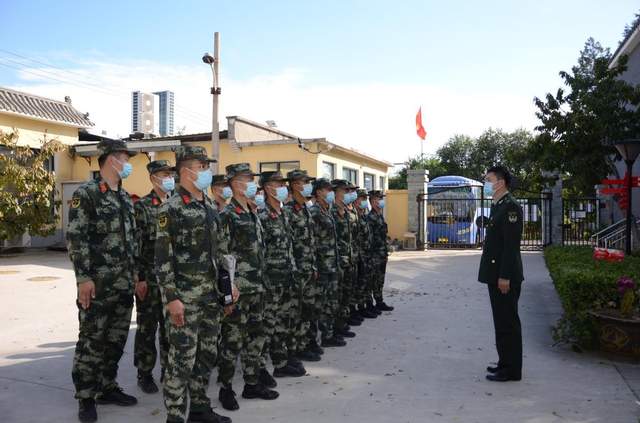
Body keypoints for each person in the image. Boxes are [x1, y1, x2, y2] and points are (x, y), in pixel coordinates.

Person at [154, 146, 231, 423]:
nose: (207, 171)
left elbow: (219, 252)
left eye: (207, 167)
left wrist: (228, 287)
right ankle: (175, 416)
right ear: (186, 171)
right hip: (185, 300)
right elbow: (162, 258)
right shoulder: (171, 208)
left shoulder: (209, 205)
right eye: (202, 167)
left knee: (207, 355)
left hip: (210, 297)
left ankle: (199, 408)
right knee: (181, 361)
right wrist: (171, 298)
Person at [66, 139, 139, 423]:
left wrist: (135, 274)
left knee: (116, 340)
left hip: (123, 284)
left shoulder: (125, 198)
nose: (128, 163)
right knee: (92, 340)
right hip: (98, 285)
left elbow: (131, 240)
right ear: (111, 159)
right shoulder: (87, 193)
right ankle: (86, 397)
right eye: (125, 158)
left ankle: (107, 387)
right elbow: (77, 238)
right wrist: (83, 277)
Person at [217, 163, 279, 411]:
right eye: (247, 179)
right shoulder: (227, 215)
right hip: (239, 291)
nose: (252, 183)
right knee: (232, 341)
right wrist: (227, 292)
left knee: (256, 338)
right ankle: (225, 388)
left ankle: (251, 384)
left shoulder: (252, 212)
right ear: (234, 183)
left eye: (252, 179)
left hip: (258, 288)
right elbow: (222, 256)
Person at [478, 165, 524, 382]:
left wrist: (504, 276)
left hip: (504, 276)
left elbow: (510, 247)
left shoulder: (510, 207)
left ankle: (512, 370)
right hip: (495, 273)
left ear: (501, 182)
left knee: (508, 323)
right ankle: (504, 362)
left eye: (489, 180)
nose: (486, 184)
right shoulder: (498, 205)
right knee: (501, 322)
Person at [258, 171, 306, 378]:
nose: (283, 188)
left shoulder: (284, 213)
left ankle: (280, 363)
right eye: (278, 184)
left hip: (287, 278)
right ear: (267, 188)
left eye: (283, 184)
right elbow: (259, 253)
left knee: (283, 323)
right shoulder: (262, 215)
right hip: (271, 281)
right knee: (267, 326)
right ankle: (259, 370)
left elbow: (289, 246)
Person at [133, 160, 175, 394]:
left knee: (170, 328)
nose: (168, 178)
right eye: (164, 174)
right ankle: (145, 373)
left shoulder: (176, 204)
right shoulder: (143, 206)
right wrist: (138, 278)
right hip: (149, 278)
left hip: (170, 280)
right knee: (147, 329)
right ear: (153, 178)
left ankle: (168, 371)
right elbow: (136, 245)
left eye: (170, 174)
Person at [285, 169, 322, 361]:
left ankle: (305, 343)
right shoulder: (288, 211)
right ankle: (295, 349)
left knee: (308, 310)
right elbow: (288, 244)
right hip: (297, 271)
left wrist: (313, 266)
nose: (308, 186)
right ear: (294, 185)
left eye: (308, 182)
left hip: (308, 269)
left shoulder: (306, 208)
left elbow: (311, 241)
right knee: (295, 313)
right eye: (303, 182)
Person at [309, 178, 345, 347]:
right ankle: (317, 338)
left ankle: (328, 334)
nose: (331, 193)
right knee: (320, 304)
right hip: (322, 265)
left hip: (332, 264)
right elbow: (312, 241)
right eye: (327, 190)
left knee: (331, 301)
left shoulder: (327, 210)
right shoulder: (314, 212)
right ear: (318, 192)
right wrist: (315, 265)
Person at [330, 179, 356, 339]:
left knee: (345, 294)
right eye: (344, 191)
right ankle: (333, 329)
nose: (347, 193)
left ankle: (342, 324)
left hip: (348, 259)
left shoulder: (346, 212)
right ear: (335, 192)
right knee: (335, 297)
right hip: (335, 262)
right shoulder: (330, 212)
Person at [367, 190, 393, 312]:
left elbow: (383, 236)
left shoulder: (380, 215)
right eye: (379, 199)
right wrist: (371, 256)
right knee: (372, 280)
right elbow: (369, 239)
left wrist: (386, 252)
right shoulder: (370, 218)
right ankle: (370, 304)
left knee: (380, 279)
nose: (382, 201)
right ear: (373, 202)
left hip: (382, 253)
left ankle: (379, 301)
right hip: (374, 255)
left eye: (381, 198)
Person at [354, 189, 378, 319]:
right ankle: (359, 307)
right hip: (359, 255)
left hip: (367, 254)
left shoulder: (363, 215)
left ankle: (365, 305)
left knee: (366, 282)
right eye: (362, 198)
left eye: (365, 199)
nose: (364, 201)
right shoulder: (354, 215)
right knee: (359, 283)